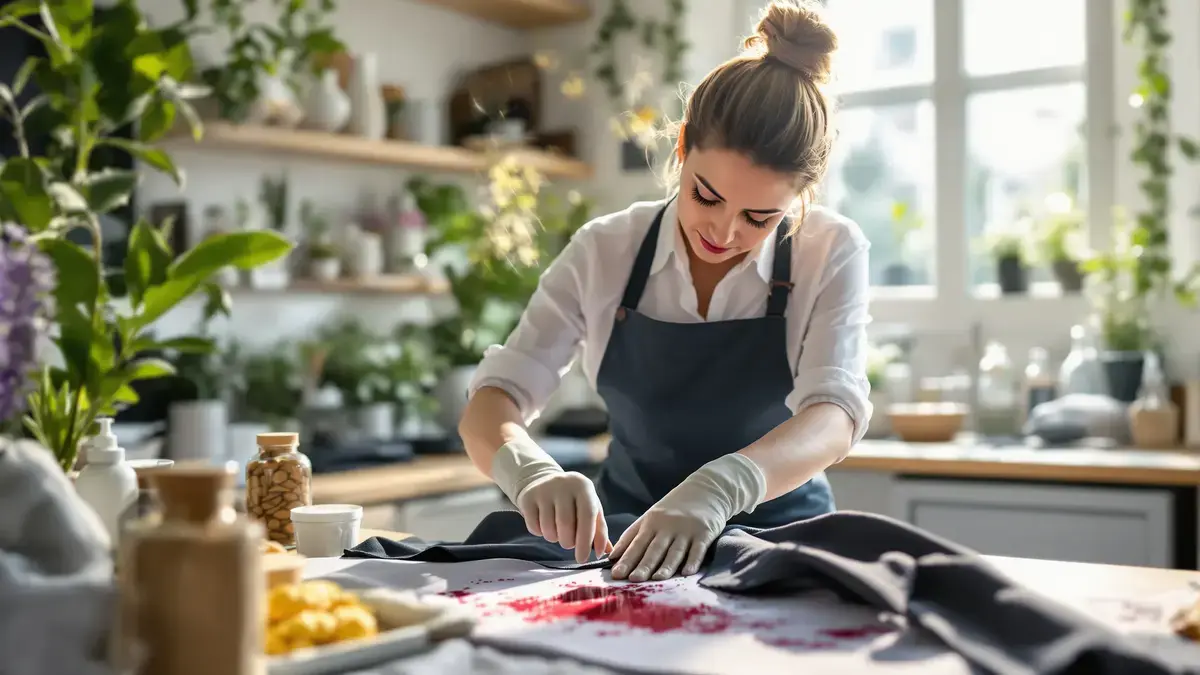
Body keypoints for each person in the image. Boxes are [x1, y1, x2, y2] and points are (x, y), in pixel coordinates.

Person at [458, 0, 870, 583]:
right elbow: (493, 401)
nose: (724, 232)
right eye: (705, 196)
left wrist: (724, 486)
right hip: (624, 547)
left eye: (759, 217)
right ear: (681, 147)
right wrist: (530, 473)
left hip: (779, 547)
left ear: (802, 196)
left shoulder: (829, 249)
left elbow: (834, 415)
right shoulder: (606, 250)